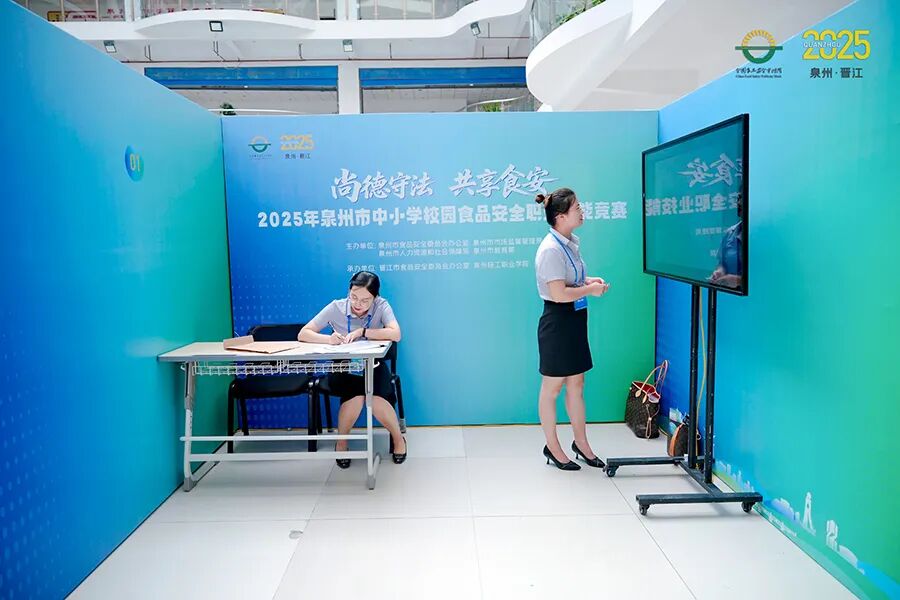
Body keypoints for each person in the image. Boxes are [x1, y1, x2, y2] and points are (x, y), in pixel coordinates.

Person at [534, 188, 610, 471]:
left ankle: (581, 443)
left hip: (575, 320)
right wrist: (589, 290)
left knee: (577, 384)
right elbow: (558, 294)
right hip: (558, 322)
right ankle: (553, 447)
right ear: (561, 216)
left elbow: (570, 280)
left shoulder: (568, 243)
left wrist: (589, 281)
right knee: (552, 388)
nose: (582, 210)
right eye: (577, 207)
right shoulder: (551, 249)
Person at [298, 271, 406, 467]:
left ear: (375, 298)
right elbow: (303, 333)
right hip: (343, 365)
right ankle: (342, 444)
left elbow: (396, 334)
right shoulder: (336, 307)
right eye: (354, 297)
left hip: (373, 364)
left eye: (365, 300)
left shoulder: (382, 306)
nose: (358, 304)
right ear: (349, 291)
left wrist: (363, 332)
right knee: (355, 395)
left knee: (376, 397)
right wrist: (328, 339)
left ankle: (399, 440)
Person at [709, 193, 743, 289]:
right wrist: (720, 271)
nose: (739, 202)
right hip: (730, 294)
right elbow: (722, 262)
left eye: (743, 198)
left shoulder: (764, 237)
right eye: (738, 198)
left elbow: (768, 274)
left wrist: (739, 280)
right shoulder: (730, 232)